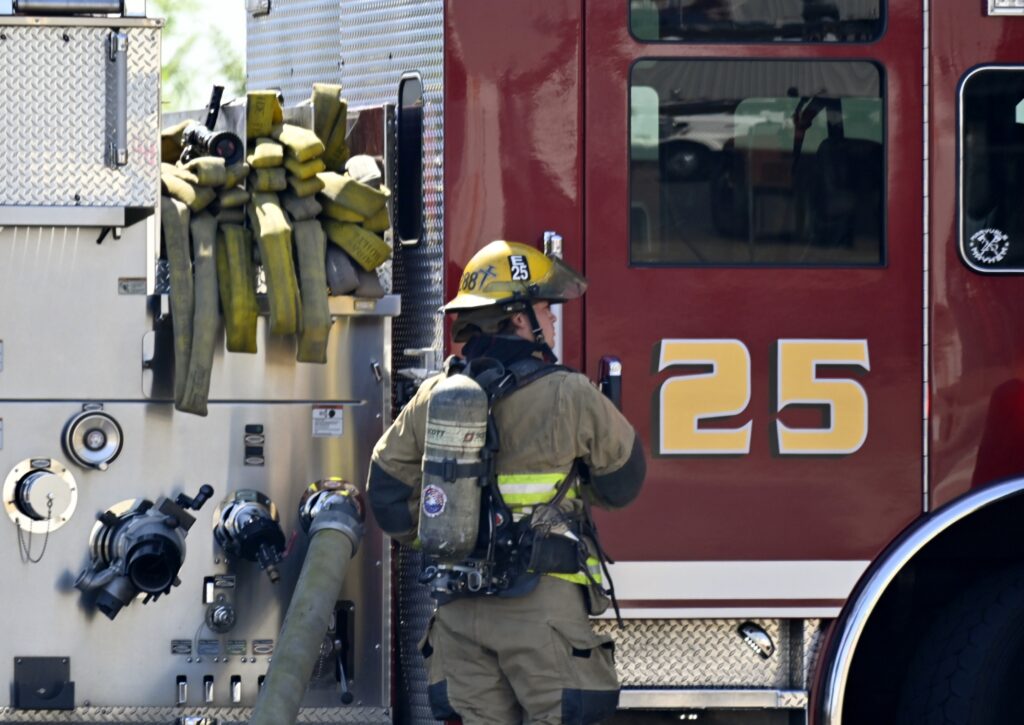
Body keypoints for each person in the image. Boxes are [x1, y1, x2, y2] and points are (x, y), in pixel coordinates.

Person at [367, 240, 646, 724]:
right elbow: (625, 483)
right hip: (543, 615)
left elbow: (387, 492)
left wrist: (444, 534)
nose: (553, 320)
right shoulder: (568, 393)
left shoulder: (435, 396)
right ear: (520, 319)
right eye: (546, 308)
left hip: (459, 615)